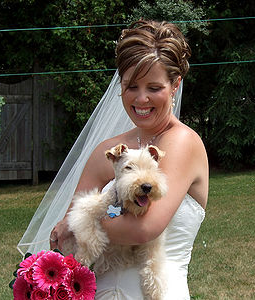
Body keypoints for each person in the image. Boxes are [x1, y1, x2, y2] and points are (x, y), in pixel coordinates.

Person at [18, 20, 208, 299]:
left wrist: (87, 219)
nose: (141, 98)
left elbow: (143, 229)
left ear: (175, 85)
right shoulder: (107, 150)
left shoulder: (182, 143)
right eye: (131, 86)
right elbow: (67, 233)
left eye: (154, 87)